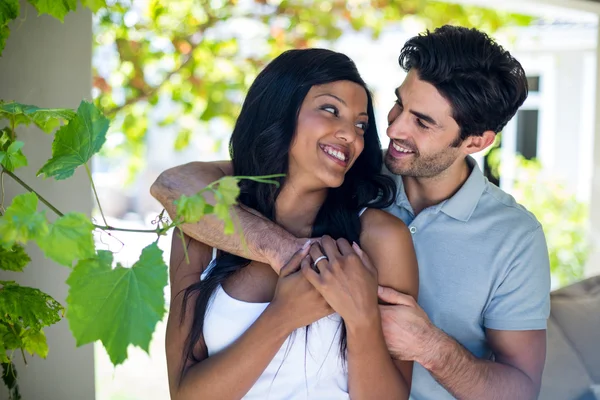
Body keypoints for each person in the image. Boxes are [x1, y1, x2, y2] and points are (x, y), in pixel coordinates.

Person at [153, 25, 551, 400]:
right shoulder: (346, 169)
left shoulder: (514, 238)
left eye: (422, 122)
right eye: (399, 103)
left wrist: (430, 346)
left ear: (476, 141)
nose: (392, 130)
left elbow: (521, 388)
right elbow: (179, 186)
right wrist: (286, 253)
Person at [163, 48, 418, 400]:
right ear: (279, 109)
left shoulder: (379, 238)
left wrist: (362, 321)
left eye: (360, 124)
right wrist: (283, 316)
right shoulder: (203, 228)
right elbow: (185, 394)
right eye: (331, 110)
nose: (351, 135)